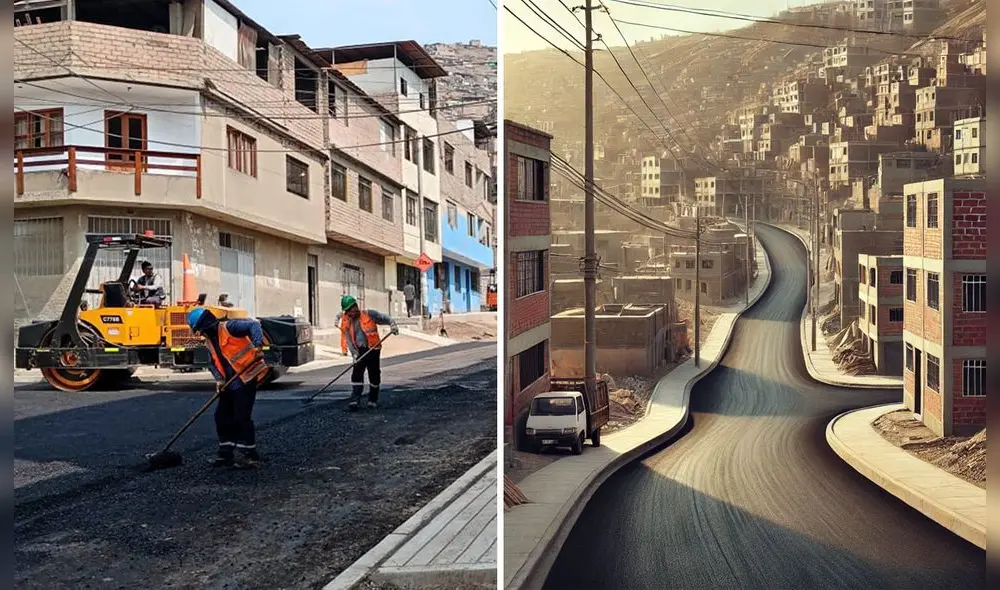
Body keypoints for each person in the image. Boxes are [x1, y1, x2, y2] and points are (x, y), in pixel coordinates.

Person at [187, 307, 268, 468]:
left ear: (205, 325)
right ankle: (225, 453)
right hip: (229, 382)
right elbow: (212, 363)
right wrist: (219, 380)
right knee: (221, 416)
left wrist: (258, 345)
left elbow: (254, 326)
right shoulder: (209, 341)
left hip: (246, 377)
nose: (200, 334)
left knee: (241, 417)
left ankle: (250, 455)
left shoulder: (230, 327)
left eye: (200, 330)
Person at [335, 295, 398, 411]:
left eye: (353, 309)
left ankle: (372, 400)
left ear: (356, 307)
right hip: (360, 351)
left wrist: (393, 325)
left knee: (374, 375)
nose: (352, 312)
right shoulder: (347, 323)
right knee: (356, 375)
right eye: (349, 311)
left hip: (373, 349)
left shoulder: (369, 314)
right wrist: (354, 354)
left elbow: (385, 318)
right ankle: (355, 400)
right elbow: (348, 340)